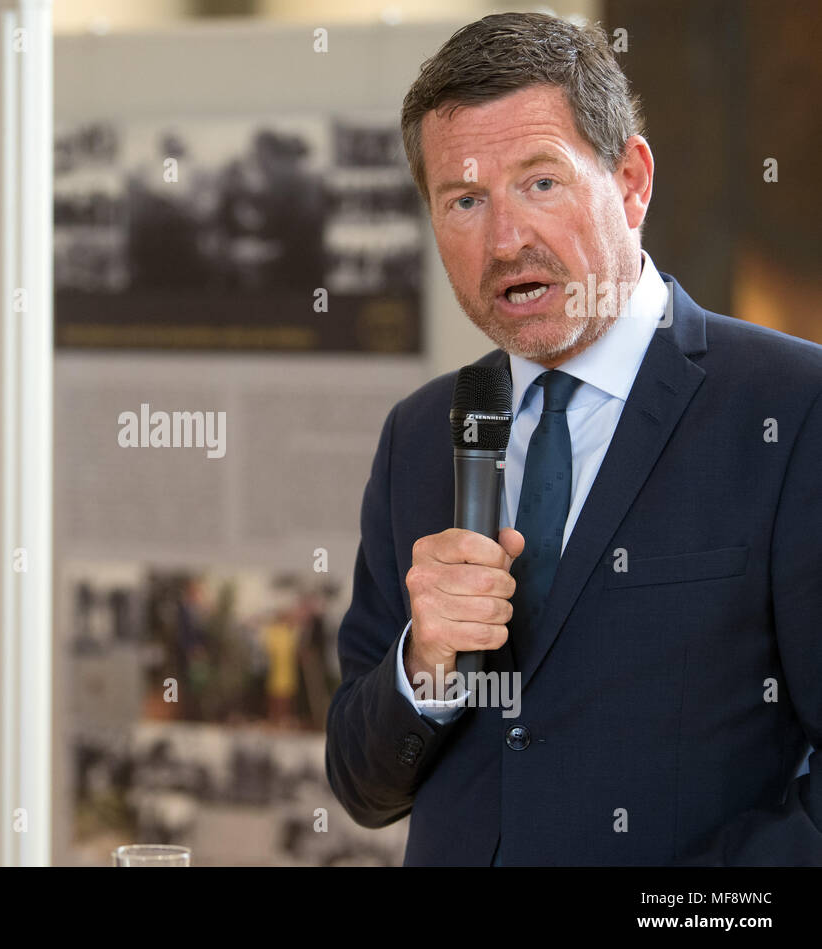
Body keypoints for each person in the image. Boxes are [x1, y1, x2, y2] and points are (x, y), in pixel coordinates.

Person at [324, 13, 822, 865]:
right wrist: (428, 664)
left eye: (541, 183)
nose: (505, 238)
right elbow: (362, 785)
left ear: (631, 181)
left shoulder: (792, 407)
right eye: (465, 200)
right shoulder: (420, 434)